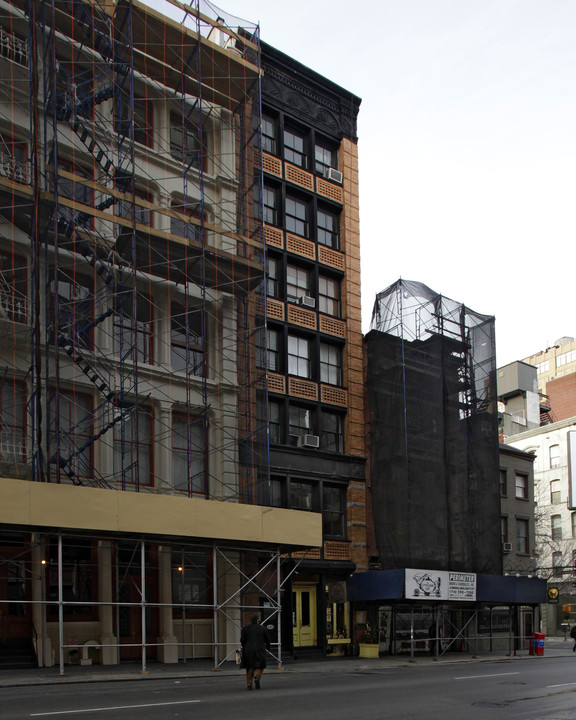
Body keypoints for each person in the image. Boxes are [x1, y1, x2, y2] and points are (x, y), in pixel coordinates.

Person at [240, 615, 271, 690]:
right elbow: (267, 640)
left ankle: (249, 684)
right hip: (260, 648)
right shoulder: (263, 628)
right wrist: (268, 648)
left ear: (251, 621)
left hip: (248, 649)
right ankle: (257, 677)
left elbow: (242, 640)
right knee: (260, 665)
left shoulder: (245, 629)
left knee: (249, 666)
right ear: (258, 620)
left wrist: (245, 646)